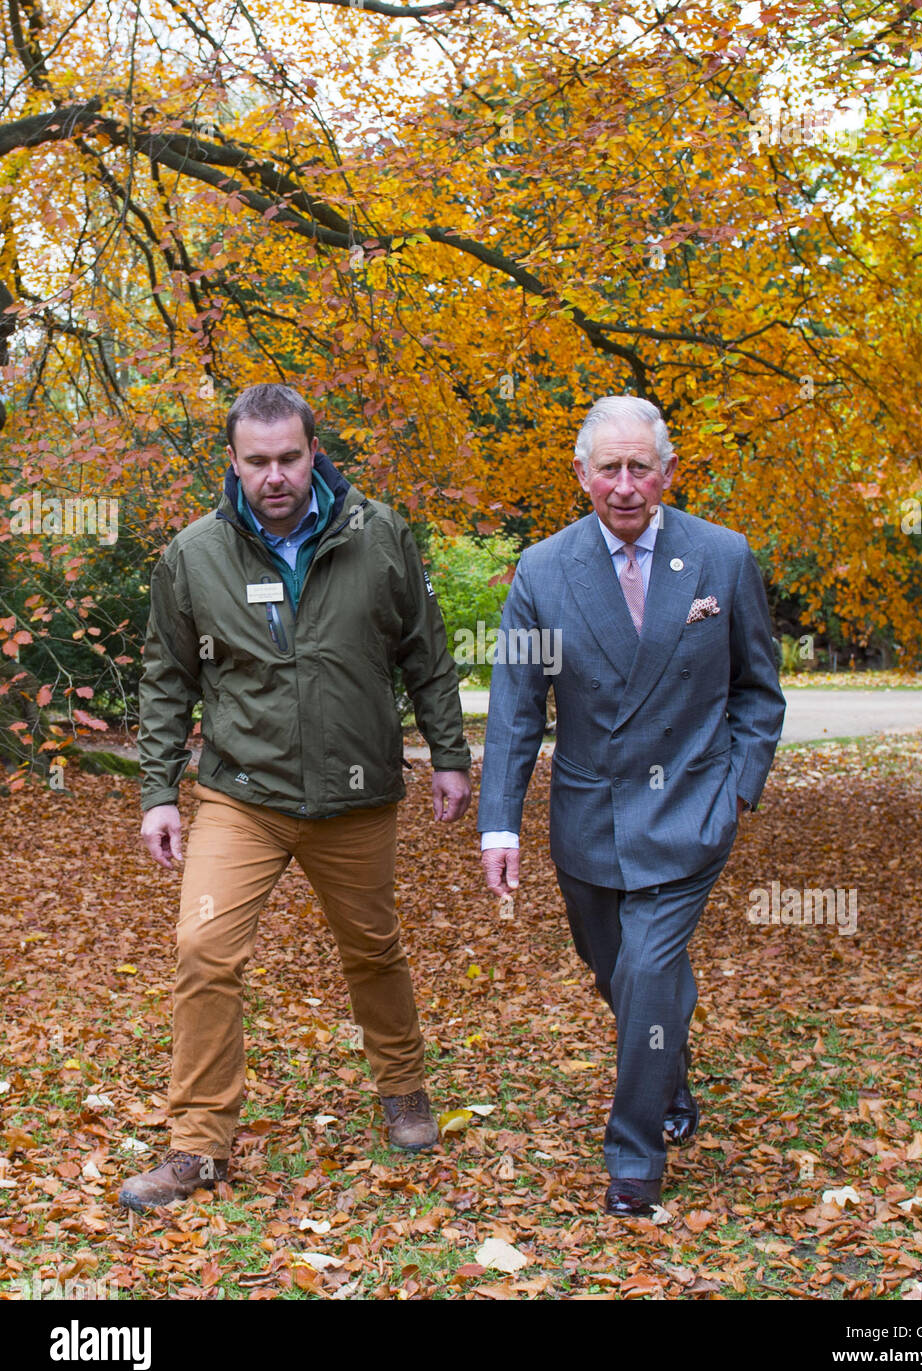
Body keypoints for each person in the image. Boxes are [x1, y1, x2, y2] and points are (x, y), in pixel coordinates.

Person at [120, 383, 471, 1212]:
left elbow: (426, 650)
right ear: (233, 463)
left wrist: (449, 753)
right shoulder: (193, 555)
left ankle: (404, 1088)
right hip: (242, 795)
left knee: (372, 949)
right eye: (257, 461)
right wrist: (157, 792)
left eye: (288, 457)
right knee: (203, 951)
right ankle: (197, 1146)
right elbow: (167, 676)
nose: (274, 475)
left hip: (356, 796)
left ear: (314, 450)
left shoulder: (377, 534)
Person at [478, 396, 784, 1217]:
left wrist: (737, 789)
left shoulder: (720, 558)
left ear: (667, 473)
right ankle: (668, 1070)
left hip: (690, 810)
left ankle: (634, 1159)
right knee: (618, 972)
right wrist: (499, 823)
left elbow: (758, 690)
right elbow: (515, 709)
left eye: (638, 467)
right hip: (589, 817)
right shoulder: (543, 572)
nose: (623, 485)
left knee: (650, 968)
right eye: (606, 468)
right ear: (580, 476)